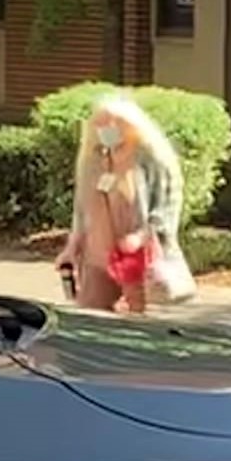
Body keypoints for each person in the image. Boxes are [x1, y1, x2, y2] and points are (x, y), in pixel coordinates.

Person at [57, 91, 190, 312]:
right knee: (91, 311)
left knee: (138, 313)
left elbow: (168, 201)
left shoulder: (149, 157)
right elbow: (82, 208)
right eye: (101, 121)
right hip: (97, 252)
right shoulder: (93, 158)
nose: (107, 127)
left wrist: (144, 234)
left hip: (135, 253)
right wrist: (72, 246)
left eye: (115, 121)